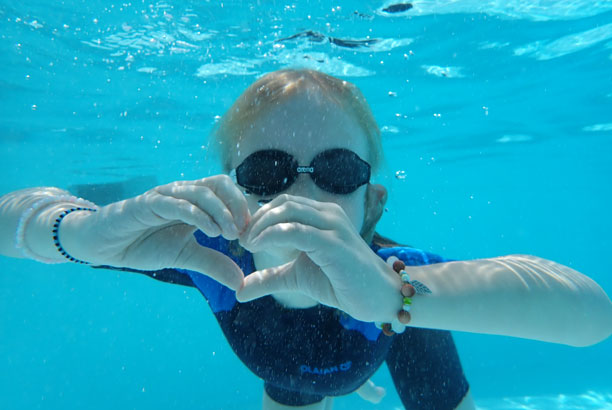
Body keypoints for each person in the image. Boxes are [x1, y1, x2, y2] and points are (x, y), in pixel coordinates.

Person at [1, 69, 611, 410]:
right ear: (231, 192)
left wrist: (399, 299)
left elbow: (592, 315)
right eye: (267, 172)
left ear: (370, 204)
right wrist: (80, 231)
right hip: (287, 377)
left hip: (391, 337)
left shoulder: (397, 277)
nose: (303, 198)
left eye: (339, 172)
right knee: (296, 393)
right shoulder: (208, 259)